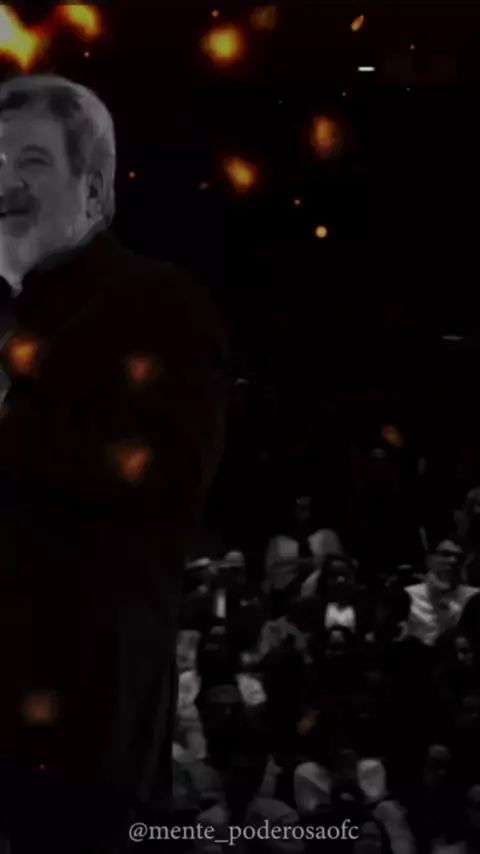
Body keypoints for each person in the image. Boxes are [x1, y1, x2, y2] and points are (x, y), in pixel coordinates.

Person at [0, 73, 228, 852]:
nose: (4, 182)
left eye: (31, 161)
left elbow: (164, 473)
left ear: (94, 189)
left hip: (77, 736)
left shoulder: (160, 302)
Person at [406, 536, 477, 646]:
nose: (453, 560)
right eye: (445, 554)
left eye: (459, 557)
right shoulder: (409, 596)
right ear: (429, 560)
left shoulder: (475, 597)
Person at [264, 496, 342, 594]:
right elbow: (271, 571)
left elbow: (340, 565)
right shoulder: (277, 542)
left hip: (322, 593)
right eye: (299, 509)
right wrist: (301, 564)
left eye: (306, 509)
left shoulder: (328, 536)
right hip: (285, 594)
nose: (302, 515)